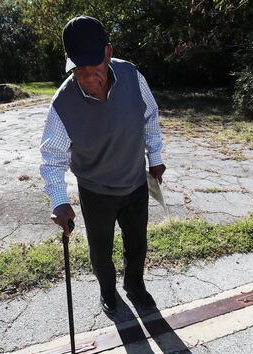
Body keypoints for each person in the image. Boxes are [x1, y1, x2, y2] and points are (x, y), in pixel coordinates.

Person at [40, 16, 166, 314]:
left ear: (108, 54)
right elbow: (51, 157)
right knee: (100, 251)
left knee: (137, 244)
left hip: (134, 181)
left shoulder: (132, 76)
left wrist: (156, 158)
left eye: (94, 67)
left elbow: (149, 116)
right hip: (95, 190)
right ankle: (108, 291)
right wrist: (59, 201)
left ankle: (135, 286)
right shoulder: (62, 103)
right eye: (78, 70)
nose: (88, 78)